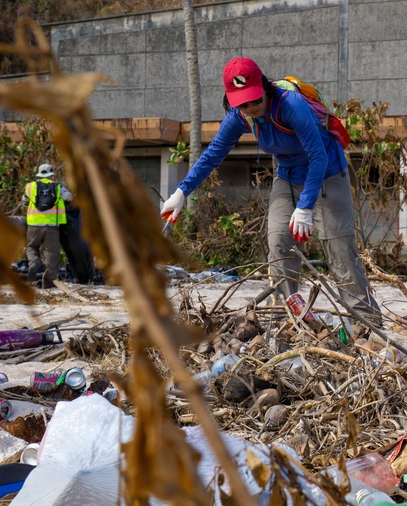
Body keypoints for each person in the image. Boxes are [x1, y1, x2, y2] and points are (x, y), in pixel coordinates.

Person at [160, 57, 381, 327]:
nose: (251, 107)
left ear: (264, 87)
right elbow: (212, 155)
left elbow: (319, 157)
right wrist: (182, 192)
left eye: (255, 100)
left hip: (327, 175)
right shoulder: (240, 117)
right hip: (287, 178)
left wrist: (306, 206)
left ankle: (367, 323)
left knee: (339, 248)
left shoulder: (291, 105)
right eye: (243, 103)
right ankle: (293, 318)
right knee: (278, 242)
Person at [24, 163, 74, 287]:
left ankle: (34, 263)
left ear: (39, 175)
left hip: (34, 225)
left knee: (31, 247)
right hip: (51, 226)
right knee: (51, 252)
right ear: (51, 175)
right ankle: (48, 280)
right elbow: (69, 198)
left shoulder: (30, 187)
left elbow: (24, 202)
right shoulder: (58, 187)